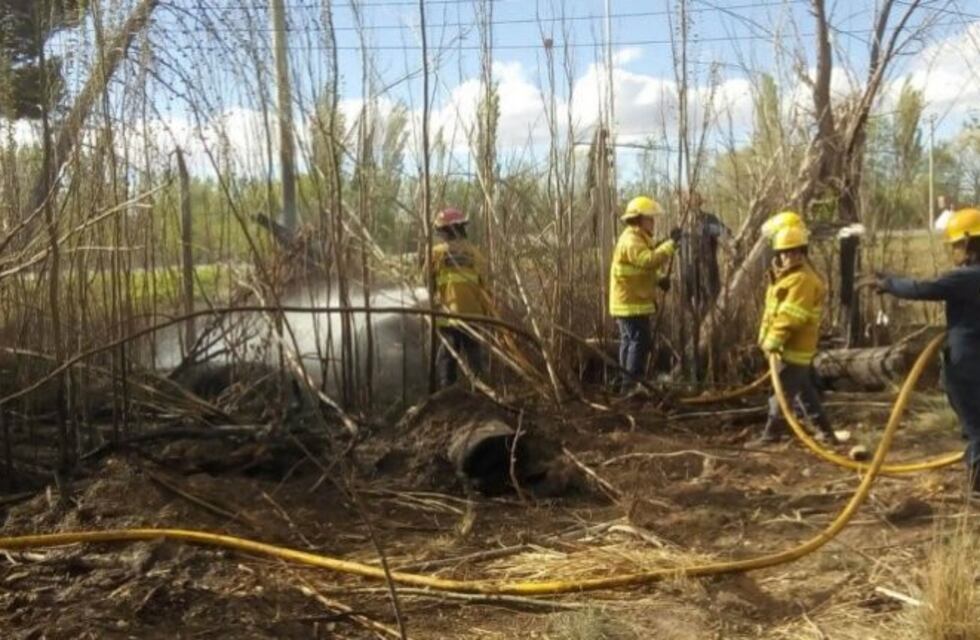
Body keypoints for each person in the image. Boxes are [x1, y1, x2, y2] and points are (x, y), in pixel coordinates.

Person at [877, 208, 980, 496]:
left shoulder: (966, 278)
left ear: (970, 243)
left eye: (957, 245)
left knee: (975, 426)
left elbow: (923, 288)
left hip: (966, 364)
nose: (954, 251)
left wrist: (888, 284)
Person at [756, 219, 839, 444]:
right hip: (788, 348)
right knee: (805, 393)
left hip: (794, 348)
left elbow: (791, 317)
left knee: (780, 396)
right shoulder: (785, 278)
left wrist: (772, 340)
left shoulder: (802, 280)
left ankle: (771, 435)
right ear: (778, 255)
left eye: (797, 252)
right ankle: (827, 434)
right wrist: (764, 338)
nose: (793, 256)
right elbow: (772, 313)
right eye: (787, 253)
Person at [609, 196, 681, 392]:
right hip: (630, 304)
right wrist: (671, 245)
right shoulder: (631, 241)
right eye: (650, 218)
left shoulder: (637, 239)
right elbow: (648, 261)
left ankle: (626, 383)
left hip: (630, 302)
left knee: (629, 342)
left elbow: (642, 270)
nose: (653, 222)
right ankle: (631, 385)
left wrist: (659, 280)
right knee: (638, 342)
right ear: (639, 220)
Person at [429, 207, 488, 388]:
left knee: (447, 356)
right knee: (474, 355)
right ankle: (480, 393)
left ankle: (447, 394)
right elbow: (484, 286)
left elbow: (427, 282)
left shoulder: (436, 253)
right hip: (474, 315)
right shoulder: (475, 253)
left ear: (446, 230)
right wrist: (485, 314)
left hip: (449, 315)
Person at [680, 191, 731, 314]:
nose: (692, 206)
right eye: (688, 204)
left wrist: (707, 229)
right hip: (689, 272)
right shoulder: (682, 223)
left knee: (711, 301)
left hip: (708, 269)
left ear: (699, 204)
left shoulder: (709, 219)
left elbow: (726, 232)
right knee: (689, 306)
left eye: (695, 203)